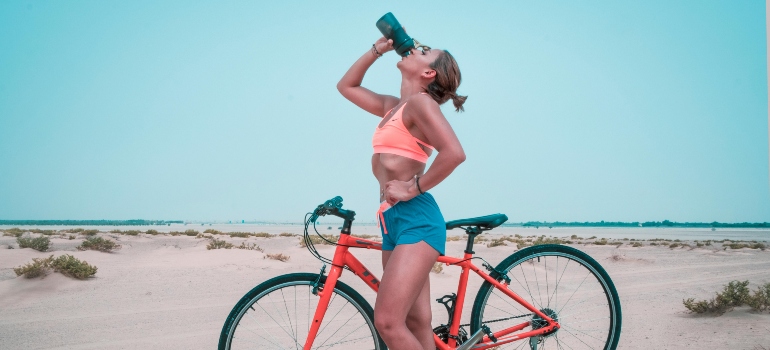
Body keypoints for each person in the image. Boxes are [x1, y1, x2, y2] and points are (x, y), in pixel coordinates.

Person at [337, 34, 467, 350]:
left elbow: (454, 153)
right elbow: (346, 87)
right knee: (416, 322)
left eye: (425, 51)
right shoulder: (393, 107)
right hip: (391, 221)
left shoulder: (421, 104)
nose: (415, 49)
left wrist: (412, 188)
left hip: (416, 220)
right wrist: (377, 50)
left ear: (428, 73)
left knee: (387, 322)